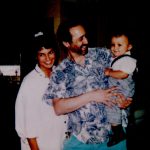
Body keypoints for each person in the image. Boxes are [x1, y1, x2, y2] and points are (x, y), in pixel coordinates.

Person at [43, 19, 132, 150]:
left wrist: (127, 99)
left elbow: (128, 68)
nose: (86, 41)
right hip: (82, 141)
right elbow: (58, 108)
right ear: (67, 43)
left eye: (85, 36)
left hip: (114, 136)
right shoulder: (60, 71)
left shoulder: (103, 54)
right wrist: (91, 96)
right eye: (81, 39)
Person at [15, 31, 67, 150]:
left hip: (60, 142)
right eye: (42, 54)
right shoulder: (30, 82)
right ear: (36, 56)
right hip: (41, 145)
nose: (48, 58)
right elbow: (29, 129)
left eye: (50, 52)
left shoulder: (60, 75)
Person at [104, 31, 137, 147]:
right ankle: (120, 128)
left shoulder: (128, 60)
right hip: (119, 86)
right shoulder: (118, 58)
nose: (115, 48)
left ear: (129, 47)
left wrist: (109, 72)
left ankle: (118, 133)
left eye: (119, 45)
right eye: (113, 44)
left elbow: (123, 75)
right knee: (114, 108)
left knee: (112, 107)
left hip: (123, 87)